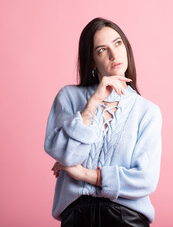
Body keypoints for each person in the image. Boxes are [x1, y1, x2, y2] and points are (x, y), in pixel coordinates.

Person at [44, 17, 162, 227]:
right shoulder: (69, 97)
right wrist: (92, 103)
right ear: (91, 60)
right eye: (101, 50)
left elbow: (145, 179)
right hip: (77, 217)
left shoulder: (148, 111)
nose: (113, 55)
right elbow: (66, 155)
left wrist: (84, 174)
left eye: (118, 43)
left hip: (126, 218)